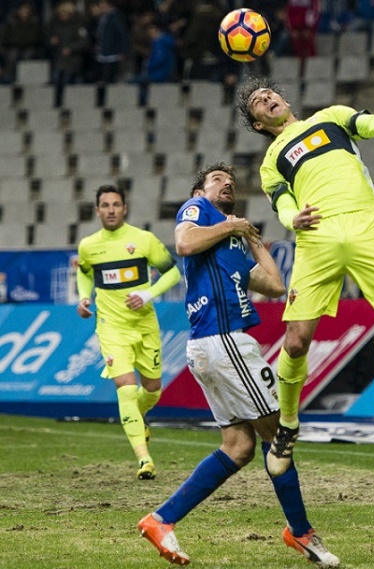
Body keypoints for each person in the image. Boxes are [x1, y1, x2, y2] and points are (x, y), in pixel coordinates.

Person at [137, 163, 339, 568]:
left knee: (240, 447)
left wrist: (252, 240)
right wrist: (230, 226)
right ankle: (300, 531)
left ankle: (161, 520)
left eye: (230, 180)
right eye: (217, 179)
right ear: (200, 189)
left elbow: (275, 285)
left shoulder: (229, 245)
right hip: (223, 338)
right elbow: (184, 244)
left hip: (214, 346)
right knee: (279, 434)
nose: (226, 182)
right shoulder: (197, 209)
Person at [237, 77, 374, 477]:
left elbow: (371, 125)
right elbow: (282, 204)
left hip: (366, 228)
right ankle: (287, 425)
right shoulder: (272, 160)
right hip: (316, 238)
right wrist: (293, 219)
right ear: (257, 122)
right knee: (296, 340)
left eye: (270, 92)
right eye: (257, 100)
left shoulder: (331, 118)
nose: (267, 98)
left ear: (284, 98)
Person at [76, 185, 181, 480]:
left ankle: (139, 418)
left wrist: (148, 295)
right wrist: (84, 298)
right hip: (111, 328)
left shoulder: (143, 240)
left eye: (116, 204)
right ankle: (144, 459)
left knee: (152, 390)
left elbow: (173, 272)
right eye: (105, 205)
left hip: (145, 325)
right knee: (124, 389)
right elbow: (85, 273)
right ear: (97, 210)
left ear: (125, 208)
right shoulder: (89, 245)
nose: (110, 210)